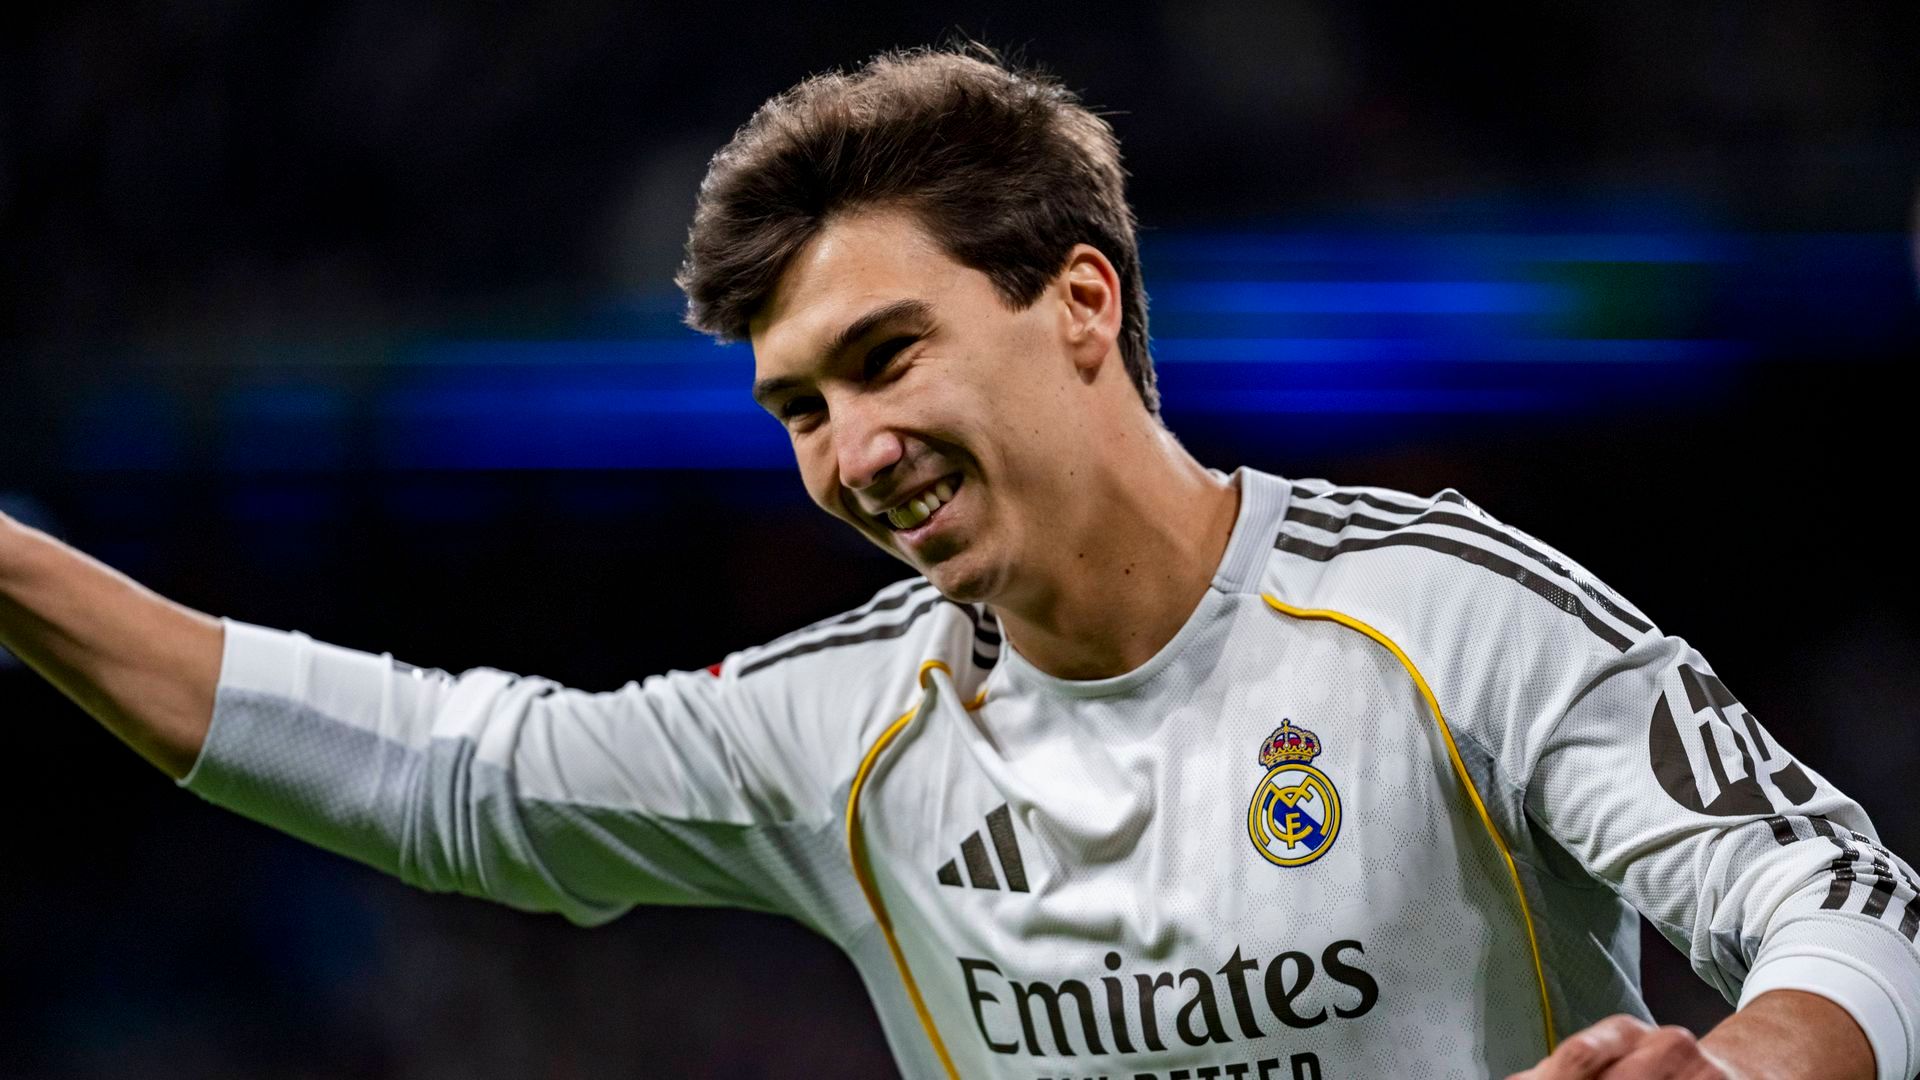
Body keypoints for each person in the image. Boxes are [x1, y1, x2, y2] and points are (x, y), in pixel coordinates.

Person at [1, 46, 1914, 1080]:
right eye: (796, 408)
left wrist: (1754, 1072)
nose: (846, 452)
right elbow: (457, 778)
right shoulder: (840, 727)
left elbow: (1852, 901)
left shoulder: (1440, 616)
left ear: (1080, 302)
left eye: (884, 356)